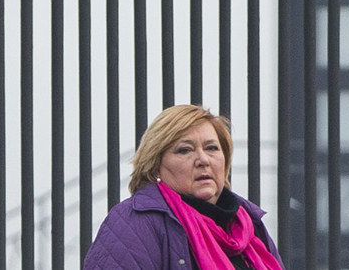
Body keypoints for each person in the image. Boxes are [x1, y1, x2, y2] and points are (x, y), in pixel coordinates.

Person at [83, 104, 284, 270]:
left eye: (212, 148)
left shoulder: (248, 224)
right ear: (156, 166)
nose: (203, 159)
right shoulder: (135, 221)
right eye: (185, 150)